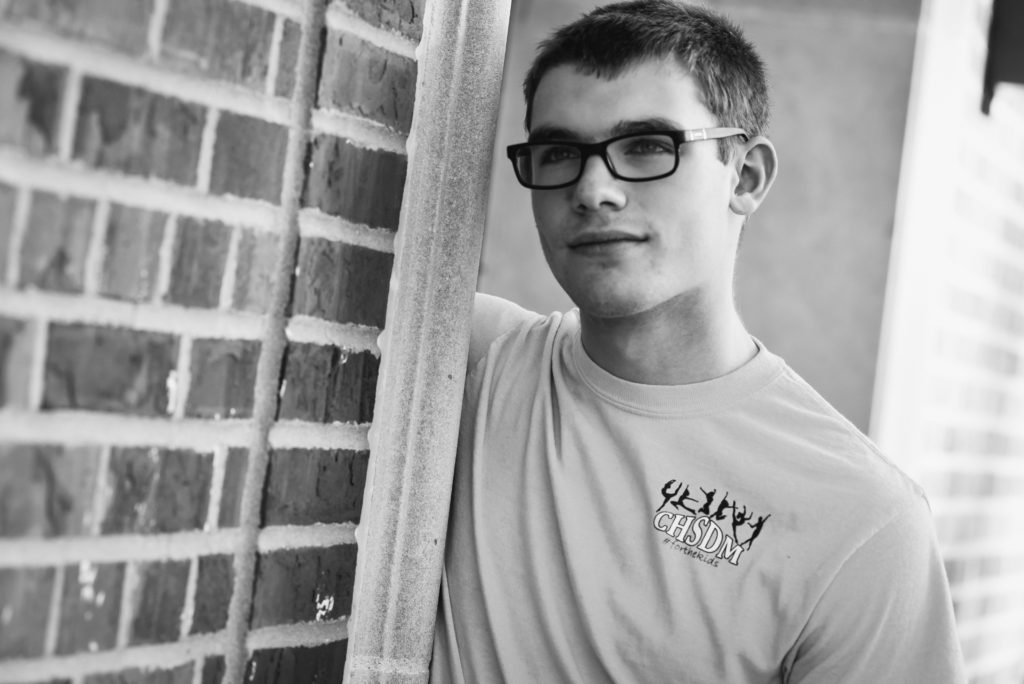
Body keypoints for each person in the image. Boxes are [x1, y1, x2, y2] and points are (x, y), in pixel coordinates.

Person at [430, 1, 966, 682]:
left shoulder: (863, 520)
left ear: (744, 178)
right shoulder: (466, 362)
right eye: (560, 152)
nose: (594, 189)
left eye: (647, 147)